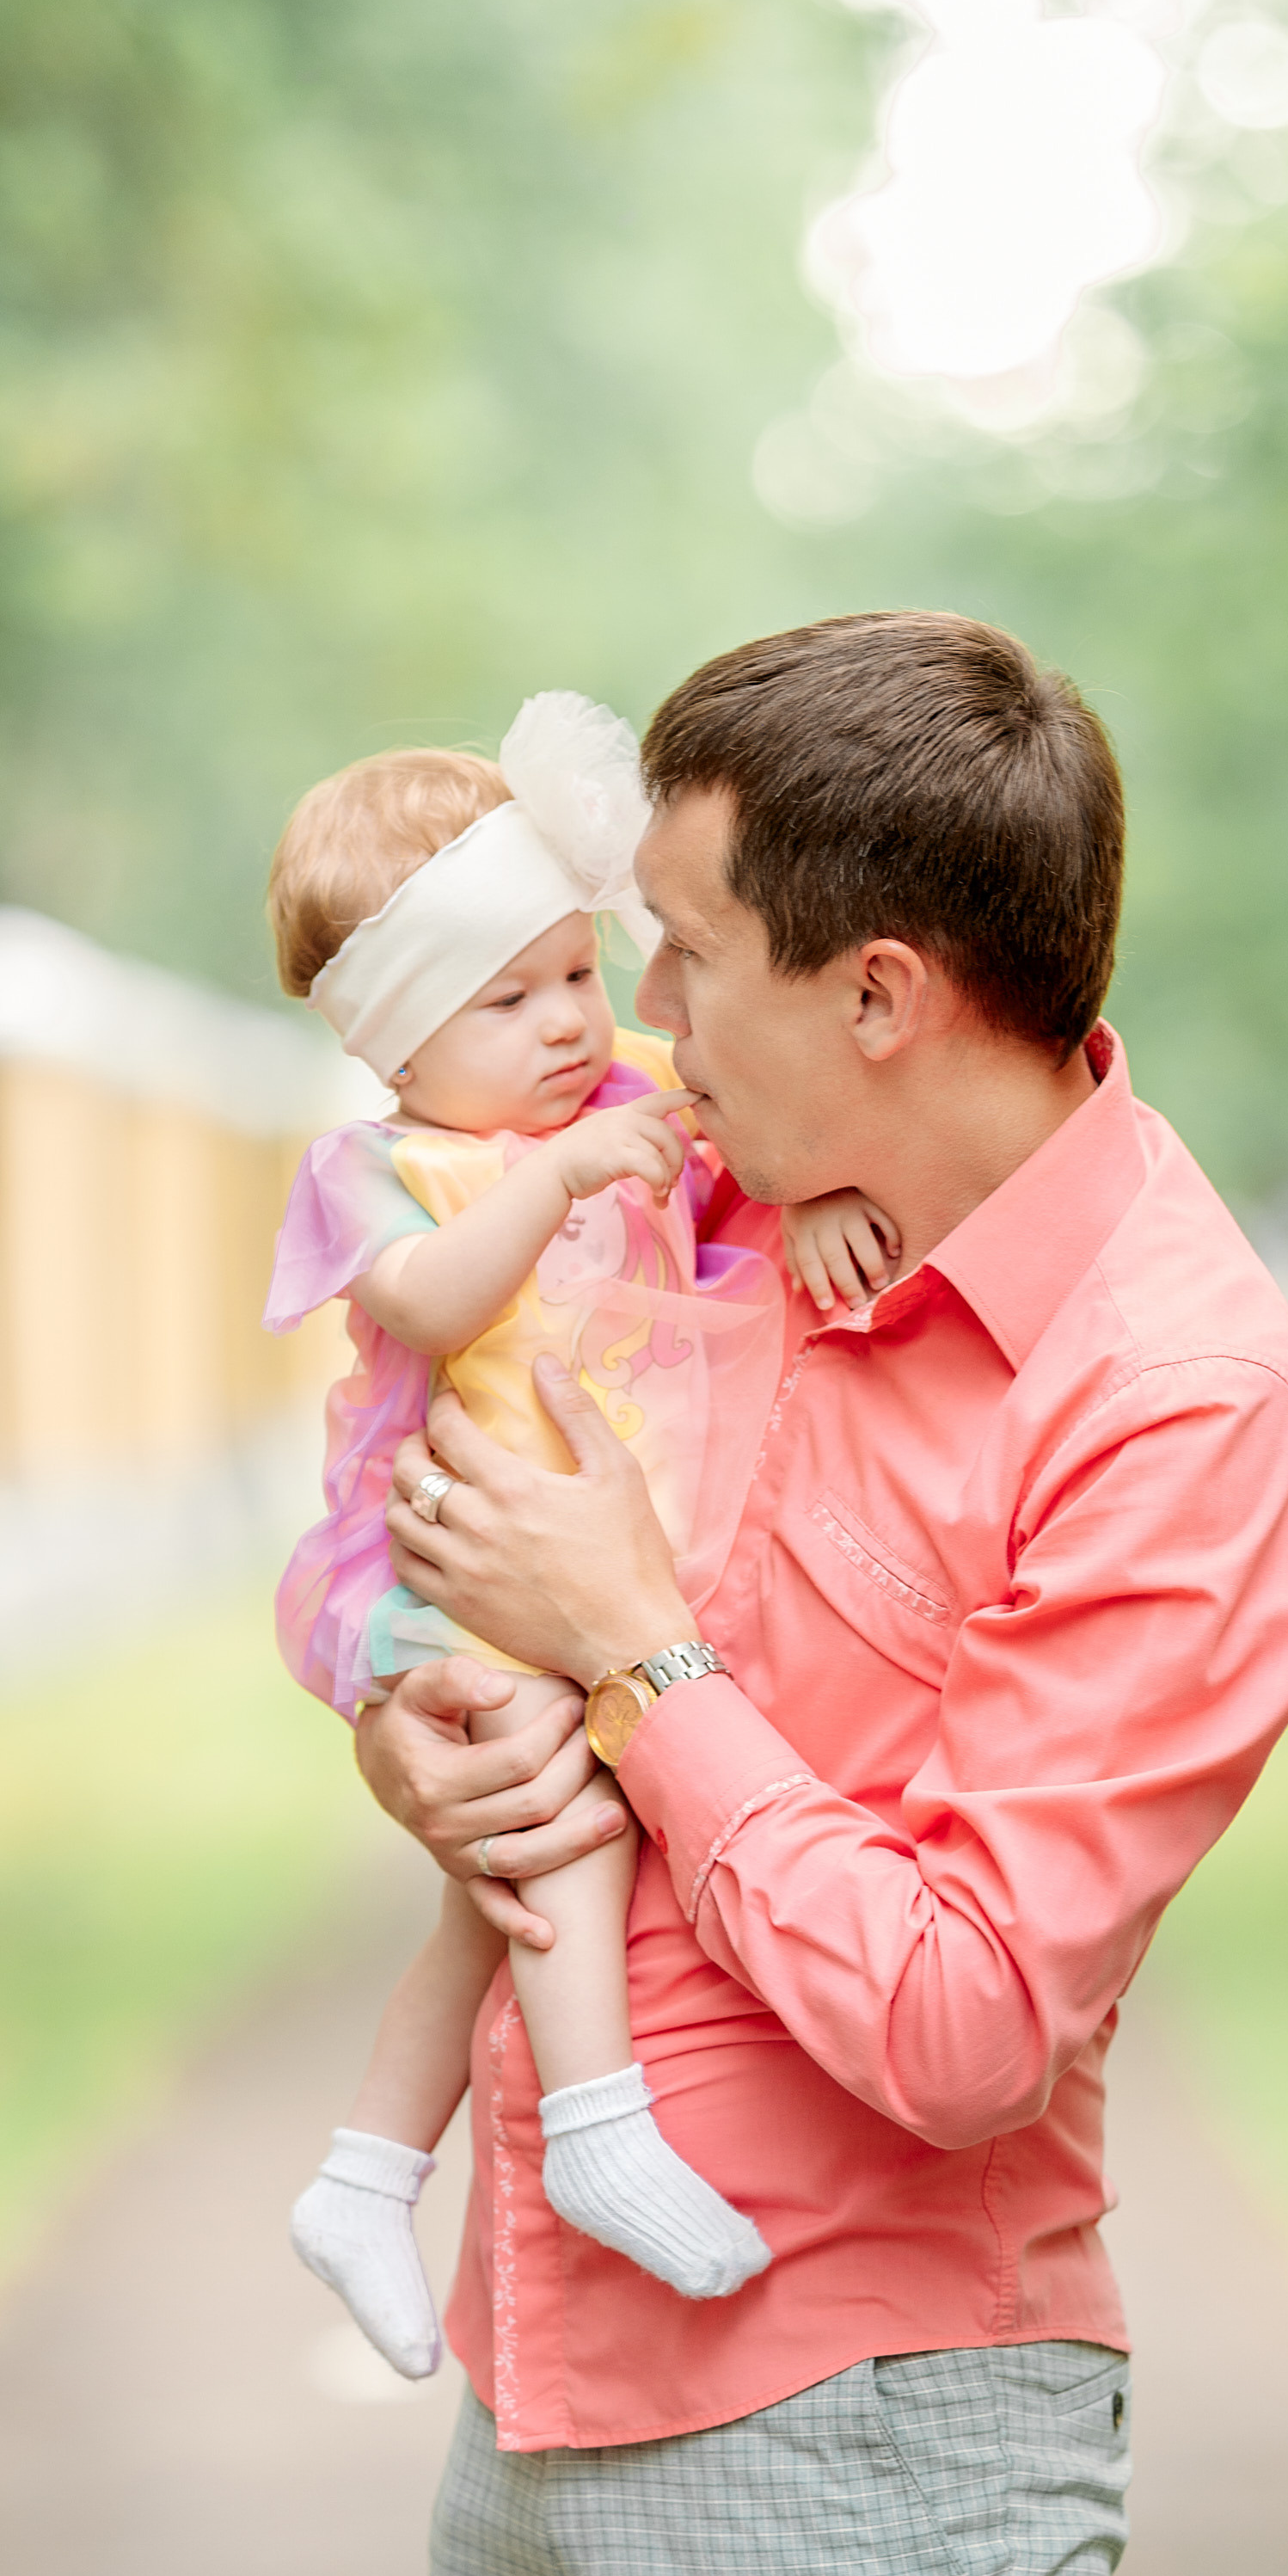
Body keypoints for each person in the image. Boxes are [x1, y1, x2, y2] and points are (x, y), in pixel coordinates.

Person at [355, 612, 1288, 2576]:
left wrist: (637, 1651)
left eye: (686, 950)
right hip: (530, 2377)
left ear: (878, 992)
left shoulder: (1171, 1396)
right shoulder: (704, 1185)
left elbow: (966, 2017)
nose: (643, 1014)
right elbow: (460, 1509)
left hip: (858, 2453)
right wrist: (424, 1746)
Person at [261, 690, 899, 2382]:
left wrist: (815, 1194)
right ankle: (598, 2126)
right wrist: (551, 1180)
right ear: (399, 1047)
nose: (568, 1022)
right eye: (507, 999)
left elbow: (747, 1145)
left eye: (573, 972)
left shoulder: (621, 1089)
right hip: (462, 1570)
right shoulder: (388, 1168)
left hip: (585, 1560)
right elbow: (427, 1303)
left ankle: (364, 2175)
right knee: (565, 1826)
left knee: (488, 1899)